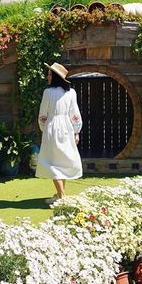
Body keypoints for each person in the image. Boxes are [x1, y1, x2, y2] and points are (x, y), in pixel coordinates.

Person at [35, 62, 82, 204]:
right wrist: (76, 131)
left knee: (52, 162)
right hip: (67, 128)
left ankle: (61, 197)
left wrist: (44, 128)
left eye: (49, 74)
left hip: (52, 128)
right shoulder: (71, 93)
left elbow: (42, 114)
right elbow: (75, 114)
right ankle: (60, 194)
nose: (47, 77)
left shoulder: (48, 92)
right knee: (62, 161)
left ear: (55, 77)